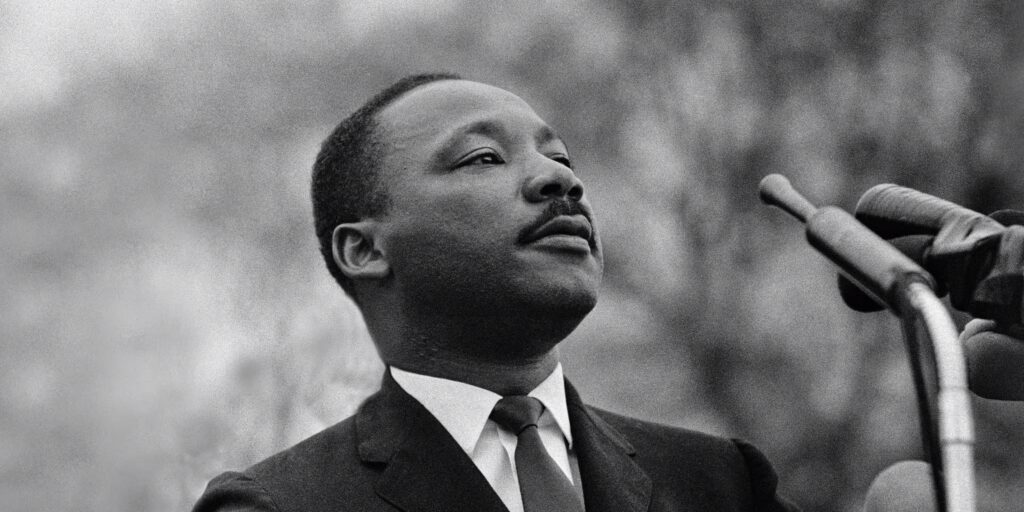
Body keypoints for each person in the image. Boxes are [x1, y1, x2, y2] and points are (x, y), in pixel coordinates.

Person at [191, 73, 800, 512]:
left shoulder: (722, 482)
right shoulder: (278, 505)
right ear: (367, 250)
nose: (560, 177)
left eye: (559, 155)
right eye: (483, 158)